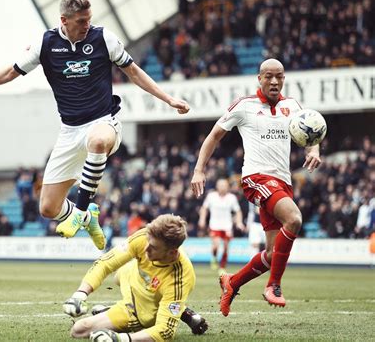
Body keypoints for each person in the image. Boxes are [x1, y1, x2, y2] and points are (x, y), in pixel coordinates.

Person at [0, 0, 190, 251]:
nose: (87, 25)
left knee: (97, 140)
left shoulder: (103, 37)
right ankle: (89, 217)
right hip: (70, 131)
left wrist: (169, 99)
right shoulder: (45, 44)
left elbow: (134, 72)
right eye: (81, 21)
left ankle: (81, 211)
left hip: (104, 121)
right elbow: (8, 73)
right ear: (64, 20)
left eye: (89, 19)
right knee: (48, 208)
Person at [191, 59, 322, 313]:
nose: (274, 81)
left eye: (279, 76)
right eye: (269, 76)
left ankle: (232, 282)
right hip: (256, 179)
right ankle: (273, 285)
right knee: (294, 219)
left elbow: (311, 133)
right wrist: (199, 170)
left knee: (273, 255)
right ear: (259, 78)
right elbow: (213, 136)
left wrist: (314, 148)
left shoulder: (292, 106)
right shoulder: (244, 106)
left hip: (282, 182)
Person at [63, 214, 208, 341]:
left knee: (79, 330)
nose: (146, 250)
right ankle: (182, 311)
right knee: (117, 275)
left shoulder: (180, 279)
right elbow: (105, 263)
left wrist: (122, 338)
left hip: (140, 310)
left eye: (154, 248)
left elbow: (165, 332)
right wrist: (80, 294)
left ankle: (180, 310)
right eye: (147, 242)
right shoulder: (145, 237)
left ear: (172, 253)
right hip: (131, 277)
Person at [198, 178, 244, 274]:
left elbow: (238, 211)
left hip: (227, 225)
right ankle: (214, 257)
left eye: (224, 185)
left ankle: (222, 267)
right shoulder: (211, 196)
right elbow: (204, 208)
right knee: (216, 245)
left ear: (227, 187)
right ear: (217, 187)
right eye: (221, 185)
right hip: (214, 225)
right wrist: (202, 219)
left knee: (226, 247)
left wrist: (239, 222)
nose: (222, 187)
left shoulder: (232, 198)